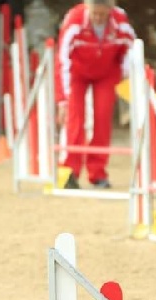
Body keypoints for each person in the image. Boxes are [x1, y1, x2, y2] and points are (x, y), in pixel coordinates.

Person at [55, 0, 135, 190]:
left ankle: (98, 173)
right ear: (87, 8)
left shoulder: (121, 21)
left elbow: (131, 52)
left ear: (111, 10)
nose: (98, 18)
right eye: (94, 14)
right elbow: (62, 61)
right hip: (76, 73)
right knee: (75, 120)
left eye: (103, 14)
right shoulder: (73, 21)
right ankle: (69, 172)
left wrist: (125, 80)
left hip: (107, 73)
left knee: (102, 118)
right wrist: (62, 99)